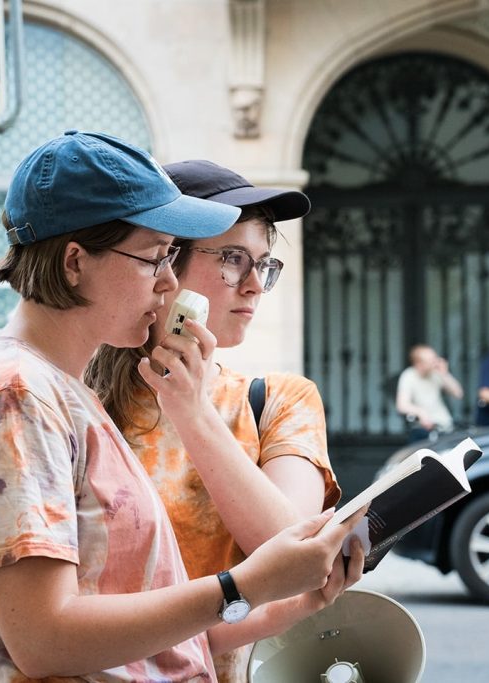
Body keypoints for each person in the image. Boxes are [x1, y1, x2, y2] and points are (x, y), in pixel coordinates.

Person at [0, 132, 365, 682]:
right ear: (75, 263)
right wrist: (242, 586)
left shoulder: (57, 389)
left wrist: (282, 599)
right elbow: (44, 639)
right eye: (155, 258)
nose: (168, 281)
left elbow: (128, 626)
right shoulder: (18, 394)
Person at [87, 159, 357, 683]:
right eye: (234, 259)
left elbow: (291, 551)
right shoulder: (79, 403)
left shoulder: (277, 400)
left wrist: (192, 412)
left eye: (265, 264)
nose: (255, 285)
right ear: (163, 265)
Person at [396, 343, 463, 442]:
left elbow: (458, 394)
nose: (435, 362)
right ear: (419, 363)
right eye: (431, 360)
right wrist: (421, 412)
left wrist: (444, 374)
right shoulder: (409, 376)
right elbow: (402, 405)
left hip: (444, 426)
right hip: (422, 429)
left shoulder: (436, 374)